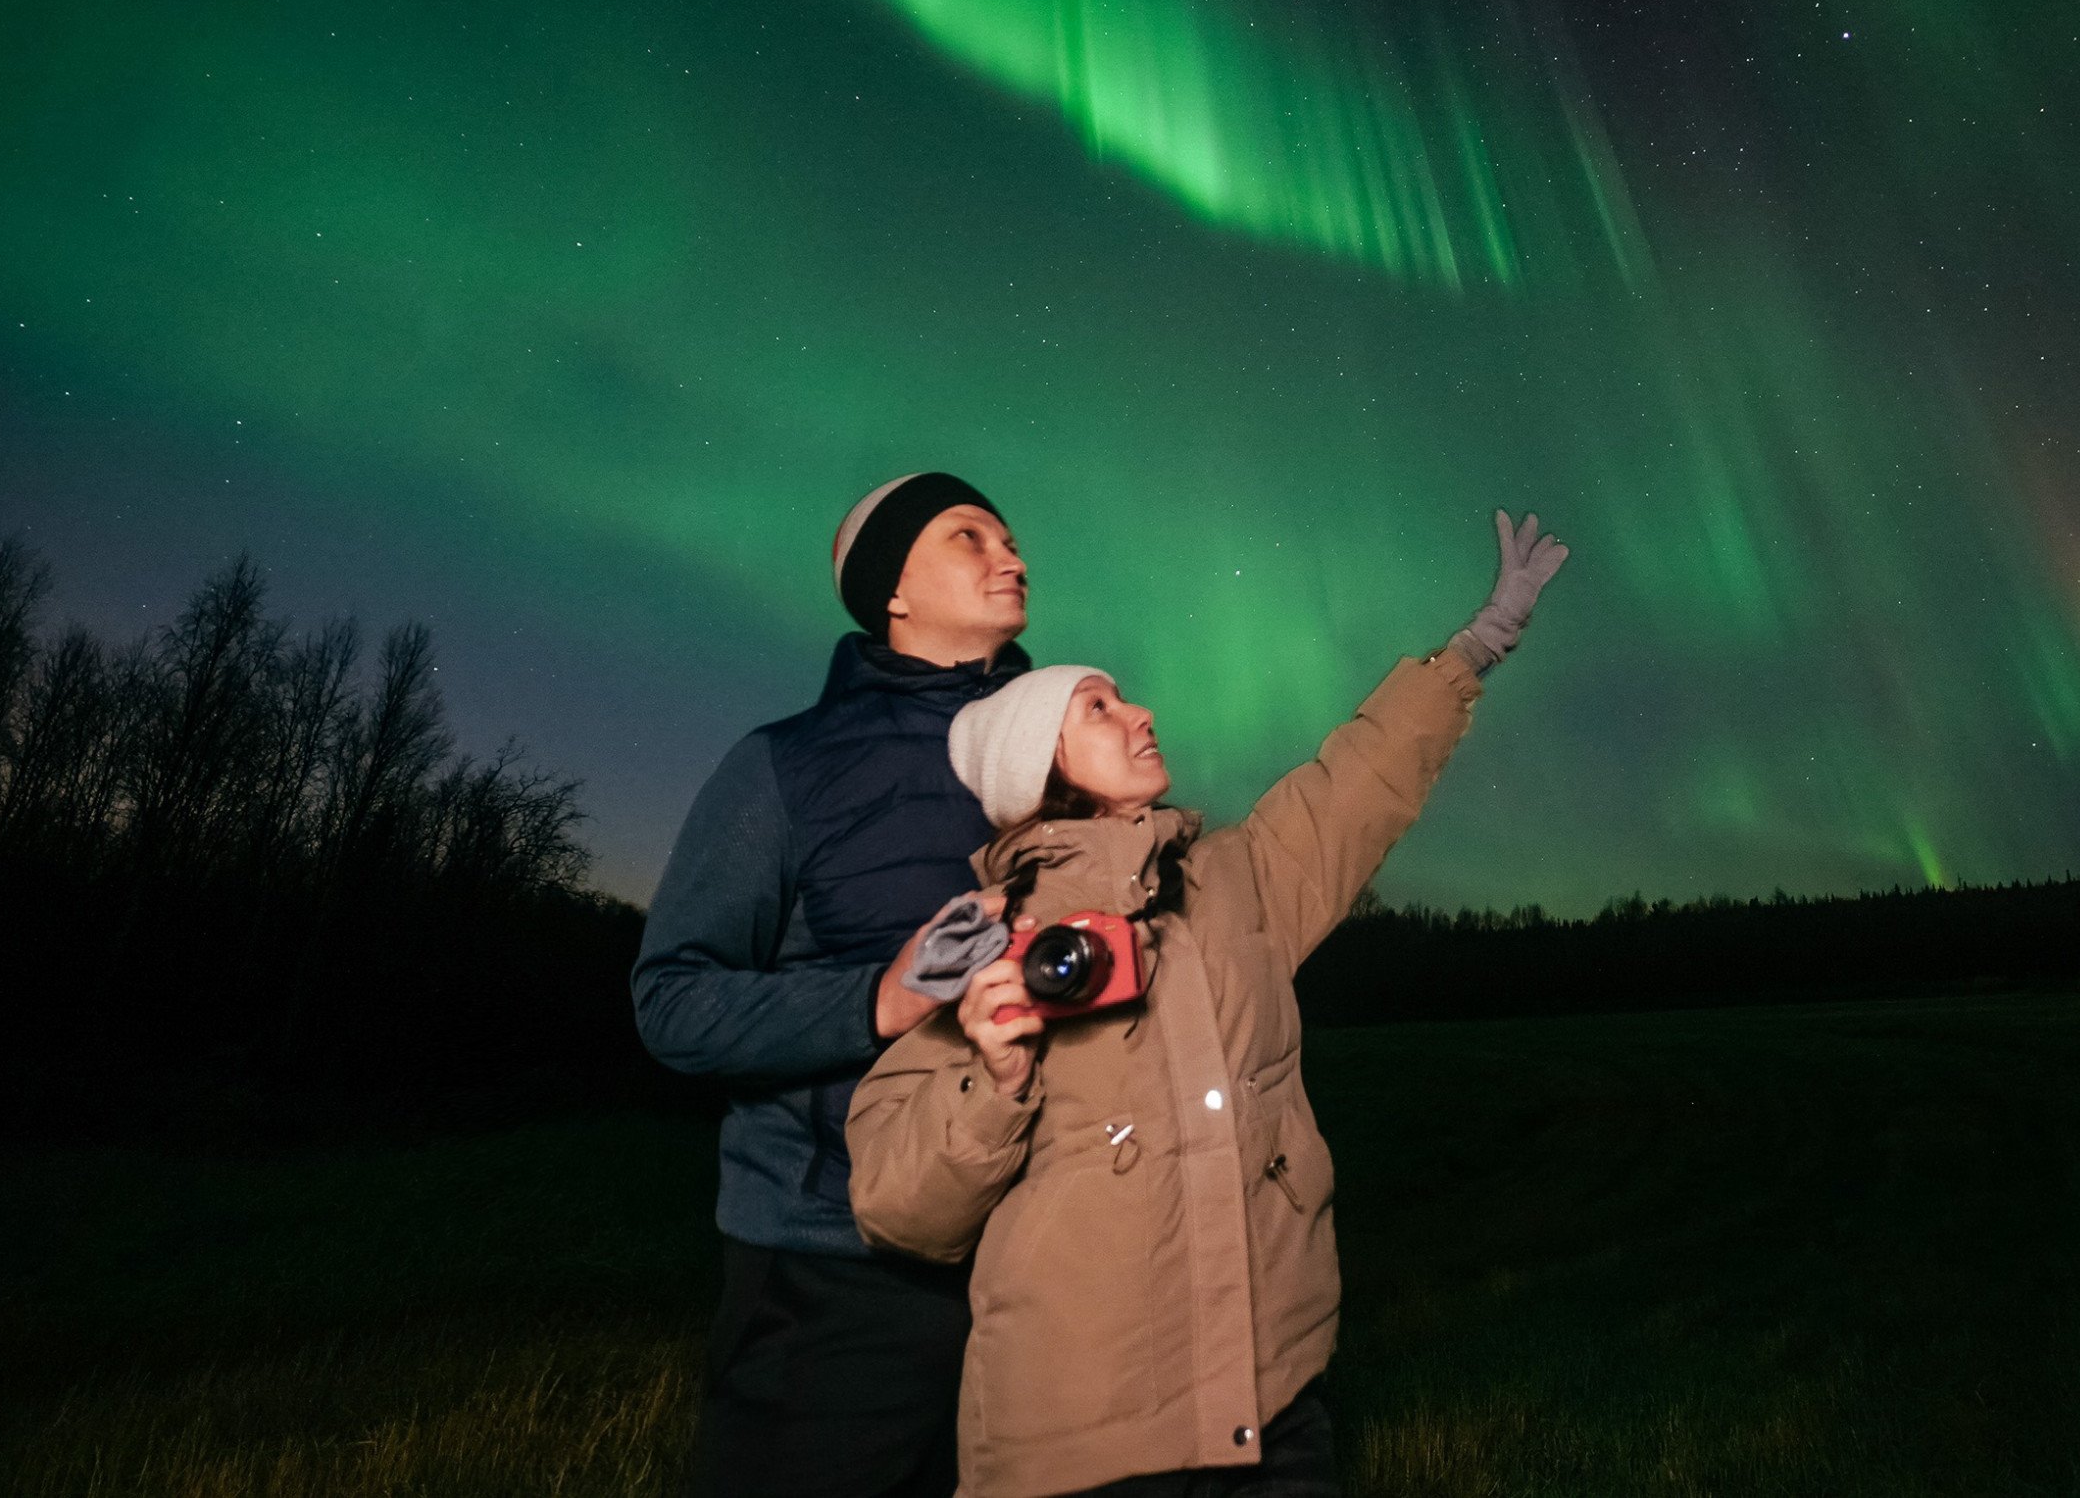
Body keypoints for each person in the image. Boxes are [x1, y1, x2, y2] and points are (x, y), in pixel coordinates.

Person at [845, 510, 1571, 1498]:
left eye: (1125, 698)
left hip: (1272, 1413)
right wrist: (992, 1072)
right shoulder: (975, 937)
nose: (1140, 713)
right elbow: (896, 1210)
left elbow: (1351, 785)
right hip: (1081, 1442)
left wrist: (1474, 648)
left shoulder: (1235, 878)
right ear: (1038, 769)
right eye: (1098, 709)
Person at [635, 471, 1036, 1498]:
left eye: (1010, 538)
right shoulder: (785, 766)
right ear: (891, 591)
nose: (1012, 557)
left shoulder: (1068, 762)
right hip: (834, 1269)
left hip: (1037, 1261)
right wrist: (878, 1000)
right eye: (968, 537)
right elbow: (673, 1001)